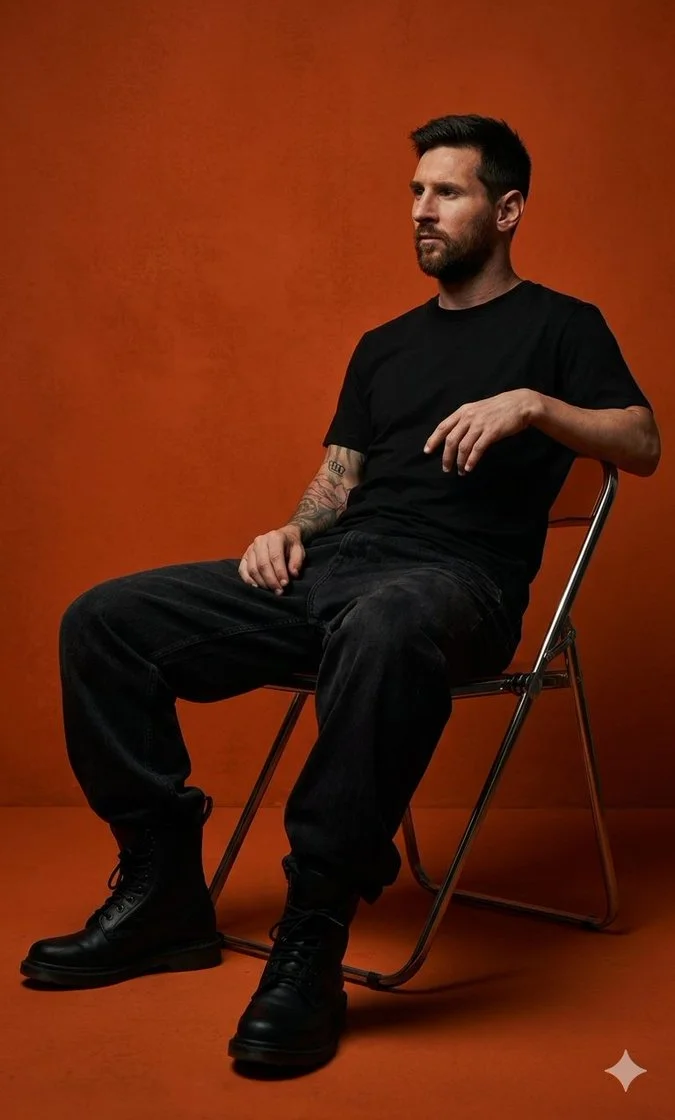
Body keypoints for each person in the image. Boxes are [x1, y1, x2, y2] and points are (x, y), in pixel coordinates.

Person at [20, 115, 660, 1075]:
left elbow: (642, 444)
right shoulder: (383, 346)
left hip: (456, 590)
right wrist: (291, 529)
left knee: (385, 623)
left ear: (508, 208)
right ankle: (163, 896)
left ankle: (312, 930)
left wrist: (533, 405)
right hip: (338, 571)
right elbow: (339, 477)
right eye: (413, 193)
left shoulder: (561, 328)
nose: (420, 211)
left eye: (445, 192)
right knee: (105, 620)